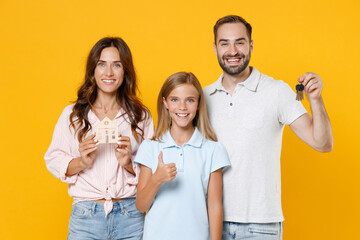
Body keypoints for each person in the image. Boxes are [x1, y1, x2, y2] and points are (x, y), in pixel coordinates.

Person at [203, 15, 333, 239]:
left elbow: (322, 143)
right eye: (224, 43)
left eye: (240, 42)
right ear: (215, 48)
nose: (232, 51)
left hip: (261, 226)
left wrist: (315, 100)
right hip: (211, 221)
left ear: (251, 45)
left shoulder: (277, 91)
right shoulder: (203, 97)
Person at [44, 37, 154, 240]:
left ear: (125, 71)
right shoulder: (73, 114)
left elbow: (152, 171)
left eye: (117, 65)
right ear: (93, 70)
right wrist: (82, 162)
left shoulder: (141, 116)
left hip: (130, 216)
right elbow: (52, 158)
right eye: (102, 64)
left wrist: (129, 163)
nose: (109, 72)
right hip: (86, 215)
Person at [134, 72, 231, 240]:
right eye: (174, 100)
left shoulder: (213, 150)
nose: (182, 107)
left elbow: (215, 206)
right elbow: (141, 206)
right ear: (165, 103)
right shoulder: (150, 147)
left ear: (199, 104)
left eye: (190, 100)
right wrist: (156, 179)